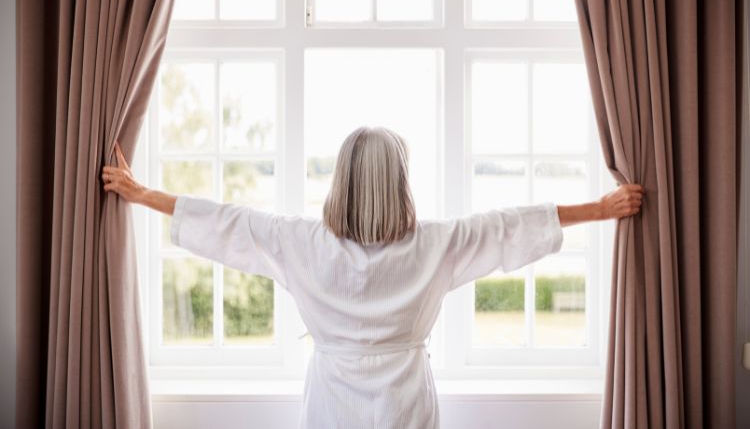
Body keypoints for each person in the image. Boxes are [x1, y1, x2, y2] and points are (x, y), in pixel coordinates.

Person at [102, 127, 643, 429]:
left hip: (331, 402)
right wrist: (600, 207)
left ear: (342, 182)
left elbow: (224, 221)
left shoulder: (302, 243)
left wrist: (139, 192)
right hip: (405, 400)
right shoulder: (435, 244)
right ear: (400, 183)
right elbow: (509, 228)